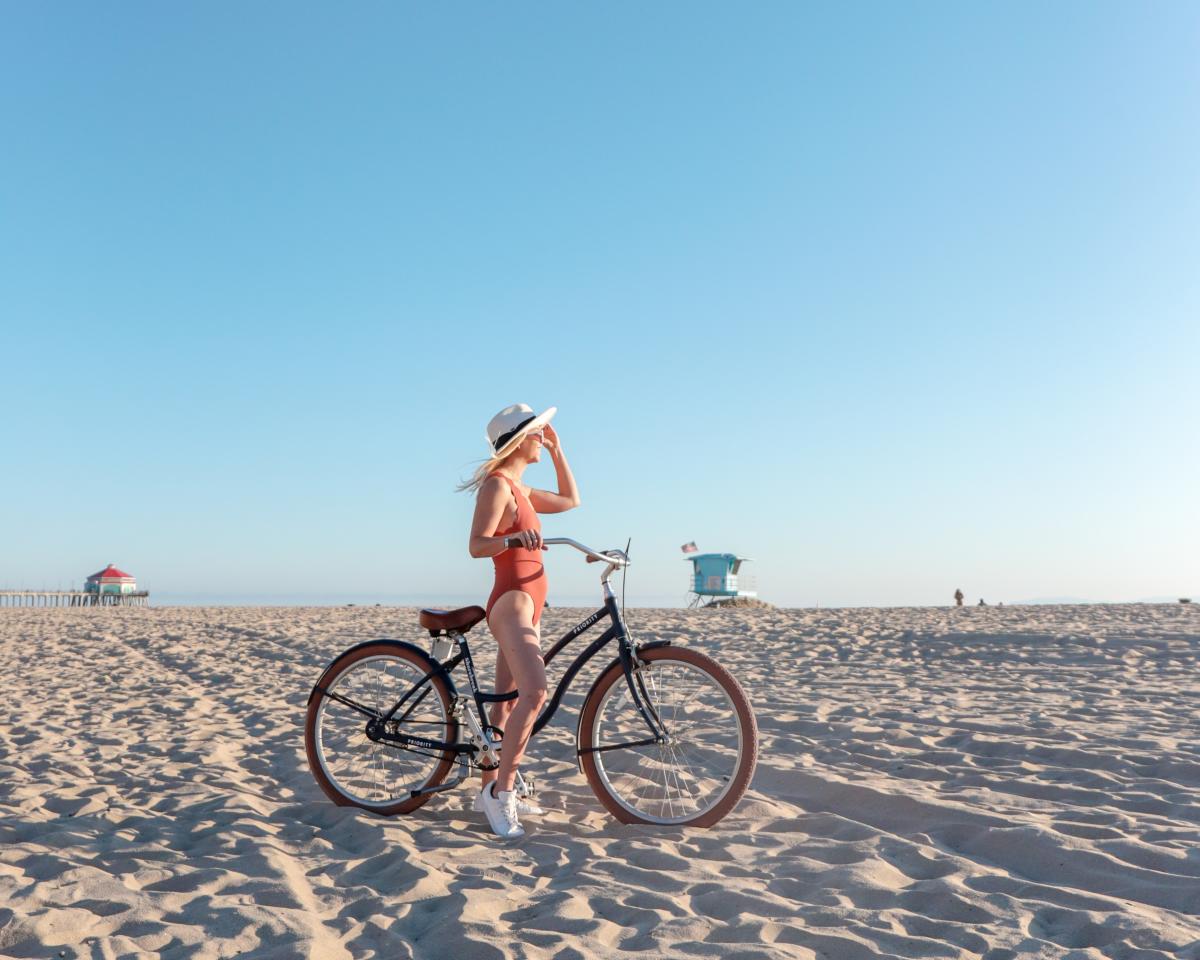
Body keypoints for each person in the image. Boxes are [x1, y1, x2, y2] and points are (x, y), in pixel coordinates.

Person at [461, 403, 580, 839]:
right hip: (511, 601)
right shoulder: (498, 487)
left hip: (531, 602)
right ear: (519, 439)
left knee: (506, 704)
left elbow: (571, 500)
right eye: (539, 433)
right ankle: (502, 795)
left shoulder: (522, 490)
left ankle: (486, 787)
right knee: (535, 691)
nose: (544, 435)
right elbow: (476, 545)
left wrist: (557, 451)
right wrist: (512, 537)